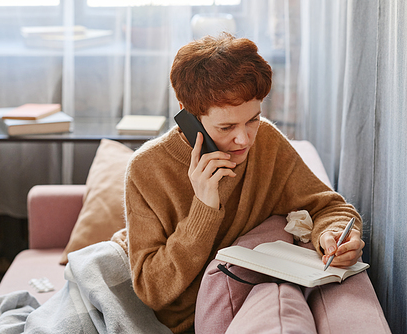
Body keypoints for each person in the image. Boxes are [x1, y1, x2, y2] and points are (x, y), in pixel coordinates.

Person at [111, 33, 366, 333]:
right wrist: (204, 208)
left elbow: (330, 206)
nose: (244, 139)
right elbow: (152, 290)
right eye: (226, 126)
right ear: (187, 114)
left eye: (253, 120)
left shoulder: (267, 143)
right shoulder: (146, 170)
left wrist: (334, 235)